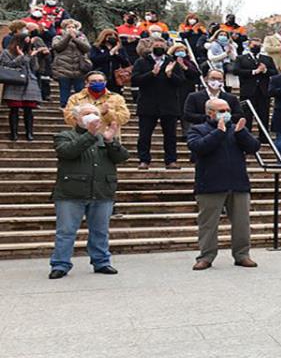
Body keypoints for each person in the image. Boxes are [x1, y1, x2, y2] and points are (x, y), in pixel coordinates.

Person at [49, 103, 127, 279]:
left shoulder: (103, 138)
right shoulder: (64, 135)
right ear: (76, 118)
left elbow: (122, 157)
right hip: (71, 192)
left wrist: (110, 141)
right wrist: (90, 134)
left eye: (94, 113)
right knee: (66, 231)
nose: (91, 116)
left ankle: (101, 262)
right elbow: (67, 152)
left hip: (101, 191)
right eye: (86, 114)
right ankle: (60, 264)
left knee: (100, 230)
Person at [187, 98, 260, 270]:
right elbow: (198, 148)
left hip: (238, 184)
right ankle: (206, 256)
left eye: (227, 110)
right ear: (210, 112)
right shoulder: (198, 129)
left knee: (242, 223)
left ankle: (242, 254)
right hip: (210, 185)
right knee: (208, 224)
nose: (226, 113)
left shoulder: (236, 129)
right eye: (222, 110)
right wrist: (218, 133)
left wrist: (242, 133)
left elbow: (254, 147)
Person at [130, 38, 187, 169]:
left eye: (162, 45)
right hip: (147, 104)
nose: (159, 47)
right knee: (144, 135)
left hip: (169, 104)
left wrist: (169, 74)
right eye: (156, 45)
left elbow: (181, 82)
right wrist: (152, 74)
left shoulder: (172, 62)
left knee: (170, 136)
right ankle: (144, 160)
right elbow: (134, 80)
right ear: (151, 47)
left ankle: (171, 160)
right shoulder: (142, 62)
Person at [233, 38, 277, 142]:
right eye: (254, 45)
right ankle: (246, 136)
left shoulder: (267, 59)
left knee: (264, 114)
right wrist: (254, 72)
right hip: (248, 91)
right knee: (246, 114)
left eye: (258, 45)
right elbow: (236, 70)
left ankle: (264, 136)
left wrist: (265, 70)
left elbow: (274, 72)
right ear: (249, 46)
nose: (256, 47)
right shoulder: (241, 58)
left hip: (263, 91)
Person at [1, 36, 40, 140]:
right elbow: (7, 65)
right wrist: (21, 56)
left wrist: (33, 56)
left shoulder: (29, 52)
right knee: (14, 109)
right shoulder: (6, 52)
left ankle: (29, 133)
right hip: (14, 81)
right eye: (25, 41)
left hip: (29, 83)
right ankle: (14, 133)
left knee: (29, 109)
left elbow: (35, 68)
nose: (27, 43)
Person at [63, 71, 130, 130]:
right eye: (93, 81)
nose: (97, 83)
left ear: (105, 82)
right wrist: (83, 115)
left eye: (100, 81)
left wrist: (107, 113)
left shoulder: (117, 98)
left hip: (108, 138)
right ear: (86, 83)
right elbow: (68, 118)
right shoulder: (75, 98)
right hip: (83, 138)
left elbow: (124, 118)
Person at [51, 19, 92, 108]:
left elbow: (87, 48)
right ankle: (64, 106)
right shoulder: (58, 37)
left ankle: (80, 106)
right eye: (69, 27)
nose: (71, 29)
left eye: (73, 27)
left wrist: (75, 39)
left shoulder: (82, 37)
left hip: (79, 68)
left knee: (79, 89)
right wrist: (68, 37)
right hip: (63, 68)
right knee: (64, 89)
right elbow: (57, 47)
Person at [88, 29, 130, 95]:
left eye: (115, 35)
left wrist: (116, 53)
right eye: (110, 35)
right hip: (100, 76)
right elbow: (95, 59)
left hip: (116, 78)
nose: (113, 37)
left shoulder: (120, 49)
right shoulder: (96, 47)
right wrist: (110, 53)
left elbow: (126, 63)